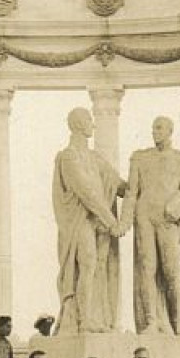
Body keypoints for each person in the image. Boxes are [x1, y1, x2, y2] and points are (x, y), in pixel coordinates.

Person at [51, 108, 125, 333]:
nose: (93, 125)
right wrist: (112, 222)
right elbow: (86, 191)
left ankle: (96, 316)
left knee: (98, 268)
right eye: (89, 120)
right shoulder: (68, 157)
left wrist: (142, 182)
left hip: (96, 222)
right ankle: (83, 320)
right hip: (77, 222)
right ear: (79, 124)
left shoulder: (94, 158)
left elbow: (118, 184)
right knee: (88, 263)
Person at [124, 116, 180, 334]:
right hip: (144, 215)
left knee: (171, 270)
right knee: (147, 268)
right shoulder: (140, 158)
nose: (155, 132)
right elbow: (131, 193)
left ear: (170, 131)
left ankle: (177, 320)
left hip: (168, 218)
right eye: (154, 128)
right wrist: (124, 221)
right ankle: (151, 321)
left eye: (159, 128)